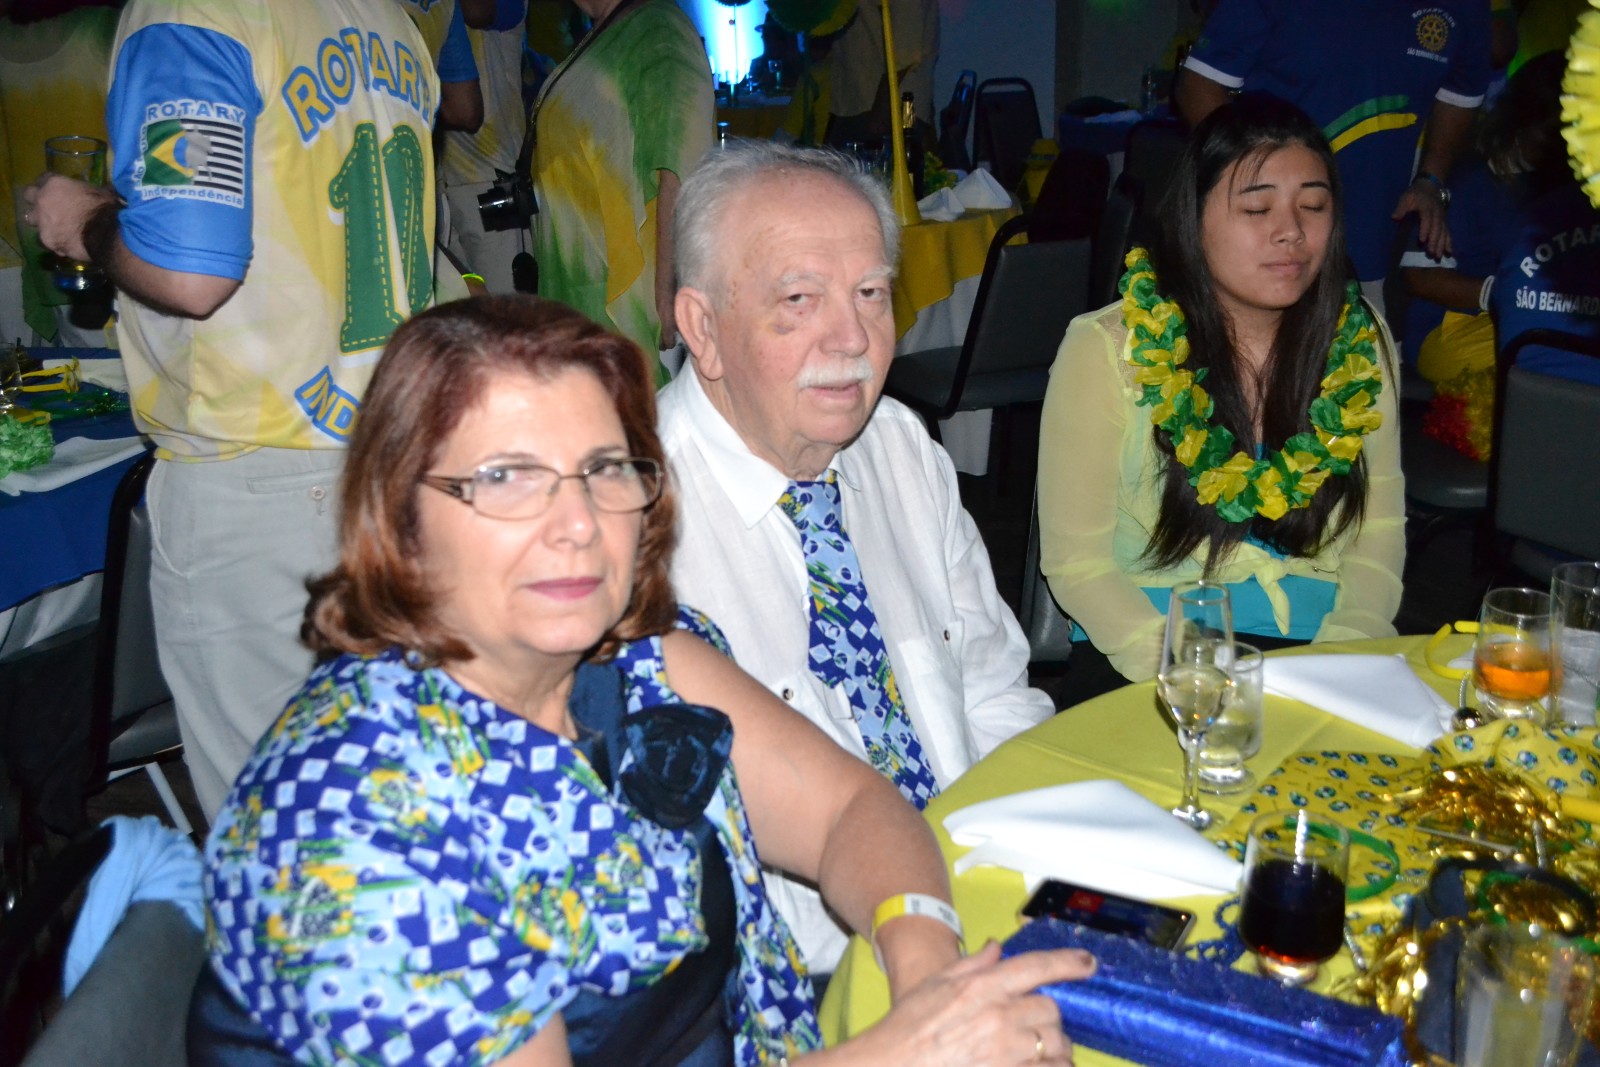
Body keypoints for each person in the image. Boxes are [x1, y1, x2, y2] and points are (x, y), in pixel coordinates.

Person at [189, 295, 1095, 1067]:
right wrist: (903, 1052)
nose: (578, 523)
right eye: (507, 478)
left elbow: (849, 810)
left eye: (604, 470)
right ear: (401, 517)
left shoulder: (633, 661)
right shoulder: (348, 819)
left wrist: (929, 971)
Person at [25, 0, 441, 819]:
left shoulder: (194, 10)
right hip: (392, 455)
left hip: (256, 471)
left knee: (282, 837)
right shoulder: (387, 16)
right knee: (377, 799)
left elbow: (190, 272)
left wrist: (86, 221)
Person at [663, 141, 1055, 976]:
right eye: (799, 299)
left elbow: (994, 689)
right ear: (702, 328)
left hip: (974, 888)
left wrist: (1005, 871)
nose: (853, 338)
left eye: (871, 293)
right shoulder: (627, 526)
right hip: (793, 970)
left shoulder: (900, 447)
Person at [1038, 94, 1405, 703]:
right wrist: (1190, 676)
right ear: (1194, 218)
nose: (1291, 232)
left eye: (1313, 206)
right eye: (1257, 208)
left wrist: (1342, 657)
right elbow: (1078, 563)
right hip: (1152, 646)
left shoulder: (1360, 340)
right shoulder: (1110, 347)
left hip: (1319, 647)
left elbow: (1381, 531)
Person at [1175, 0, 1492, 312]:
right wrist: (1256, 182)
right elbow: (1198, 86)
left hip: (1372, 226)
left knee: (1356, 334)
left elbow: (1461, 95)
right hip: (1265, 232)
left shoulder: (1466, 7)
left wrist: (1431, 179)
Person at [529, 0, 711, 377]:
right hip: (579, 278)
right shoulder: (605, 29)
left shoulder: (658, 27)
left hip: (625, 296)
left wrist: (670, 289)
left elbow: (683, 160)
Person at [438, 0, 530, 294]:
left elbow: (477, 11)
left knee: (507, 309)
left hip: (493, 183)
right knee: (458, 309)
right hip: (440, 183)